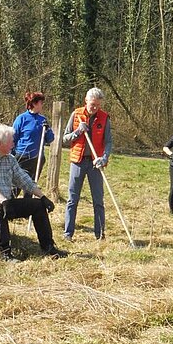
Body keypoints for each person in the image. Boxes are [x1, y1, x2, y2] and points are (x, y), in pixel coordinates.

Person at [0, 124, 66, 262]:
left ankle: (48, 247)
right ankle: (4, 253)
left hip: (4, 200)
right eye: (11, 141)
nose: (14, 143)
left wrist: (42, 197)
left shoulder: (10, 158)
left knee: (37, 206)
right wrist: (4, 201)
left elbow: (24, 180)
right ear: (0, 143)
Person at [62, 87, 112, 241]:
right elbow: (65, 138)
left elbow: (109, 141)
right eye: (92, 105)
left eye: (98, 105)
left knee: (98, 199)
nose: (95, 108)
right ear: (86, 101)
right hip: (78, 162)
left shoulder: (104, 118)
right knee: (72, 199)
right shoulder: (76, 114)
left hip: (95, 164)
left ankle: (100, 234)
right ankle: (68, 233)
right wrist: (77, 131)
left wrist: (104, 157)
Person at [12, 92, 55, 199]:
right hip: (22, 157)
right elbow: (13, 137)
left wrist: (47, 129)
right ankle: (8, 208)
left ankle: (26, 212)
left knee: (30, 187)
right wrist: (12, 155)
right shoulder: (21, 119)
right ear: (34, 104)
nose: (42, 105)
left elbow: (50, 139)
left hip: (37, 158)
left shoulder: (43, 120)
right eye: (41, 103)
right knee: (16, 186)